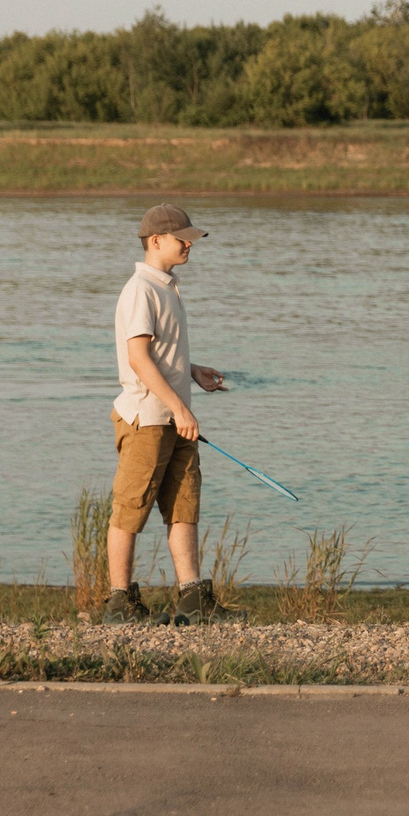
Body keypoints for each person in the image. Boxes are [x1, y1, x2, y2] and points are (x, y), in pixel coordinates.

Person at [106, 203, 232, 622]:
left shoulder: (166, 286)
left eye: (191, 238)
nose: (189, 245)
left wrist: (192, 372)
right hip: (148, 419)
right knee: (130, 507)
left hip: (175, 418)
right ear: (156, 241)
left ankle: (193, 599)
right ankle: (119, 603)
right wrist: (180, 408)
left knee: (183, 505)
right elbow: (138, 358)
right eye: (183, 238)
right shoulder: (141, 289)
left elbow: (158, 352)